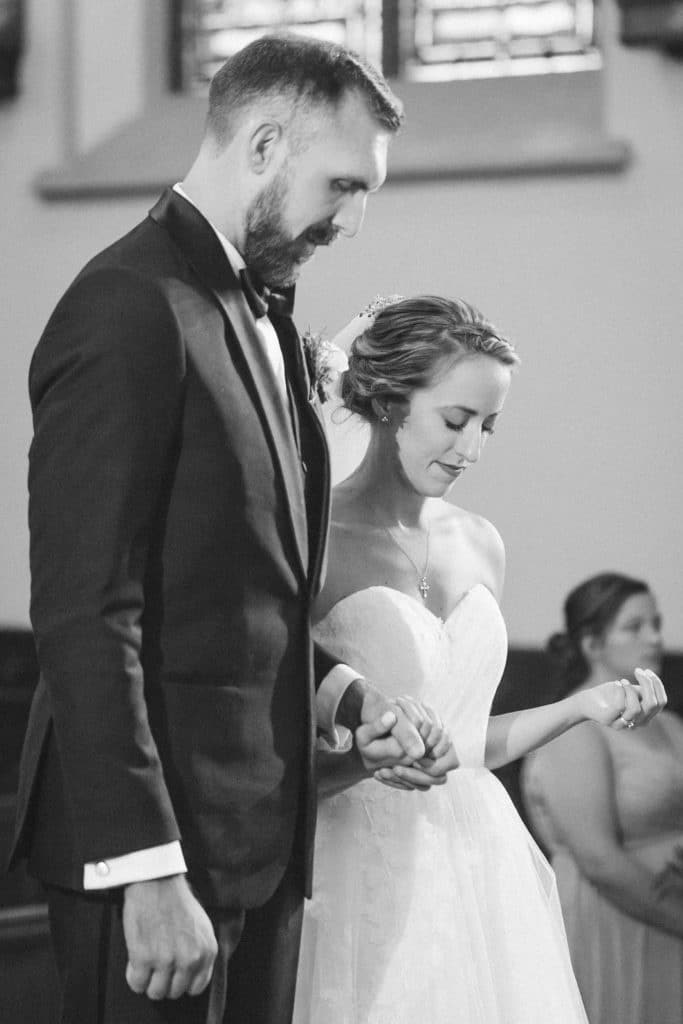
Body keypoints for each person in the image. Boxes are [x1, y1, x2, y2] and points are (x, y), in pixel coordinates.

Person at [8, 35, 432, 1024]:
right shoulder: (127, 307)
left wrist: (337, 688)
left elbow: (237, 581)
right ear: (262, 143)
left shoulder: (264, 318)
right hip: (157, 864)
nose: (353, 221)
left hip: (256, 851)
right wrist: (147, 871)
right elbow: (85, 609)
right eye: (342, 184)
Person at [290, 295, 667, 1024]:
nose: (471, 451)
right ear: (390, 402)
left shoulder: (479, 542)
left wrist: (580, 707)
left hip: (479, 859)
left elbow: (467, 745)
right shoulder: (311, 540)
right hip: (349, 867)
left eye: (488, 426)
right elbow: (279, 747)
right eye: (456, 421)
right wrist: (363, 761)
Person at [522, 573, 683, 1024]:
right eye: (635, 626)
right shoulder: (574, 729)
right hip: (615, 920)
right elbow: (597, 858)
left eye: (657, 622)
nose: (654, 637)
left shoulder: (669, 726)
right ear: (592, 644)